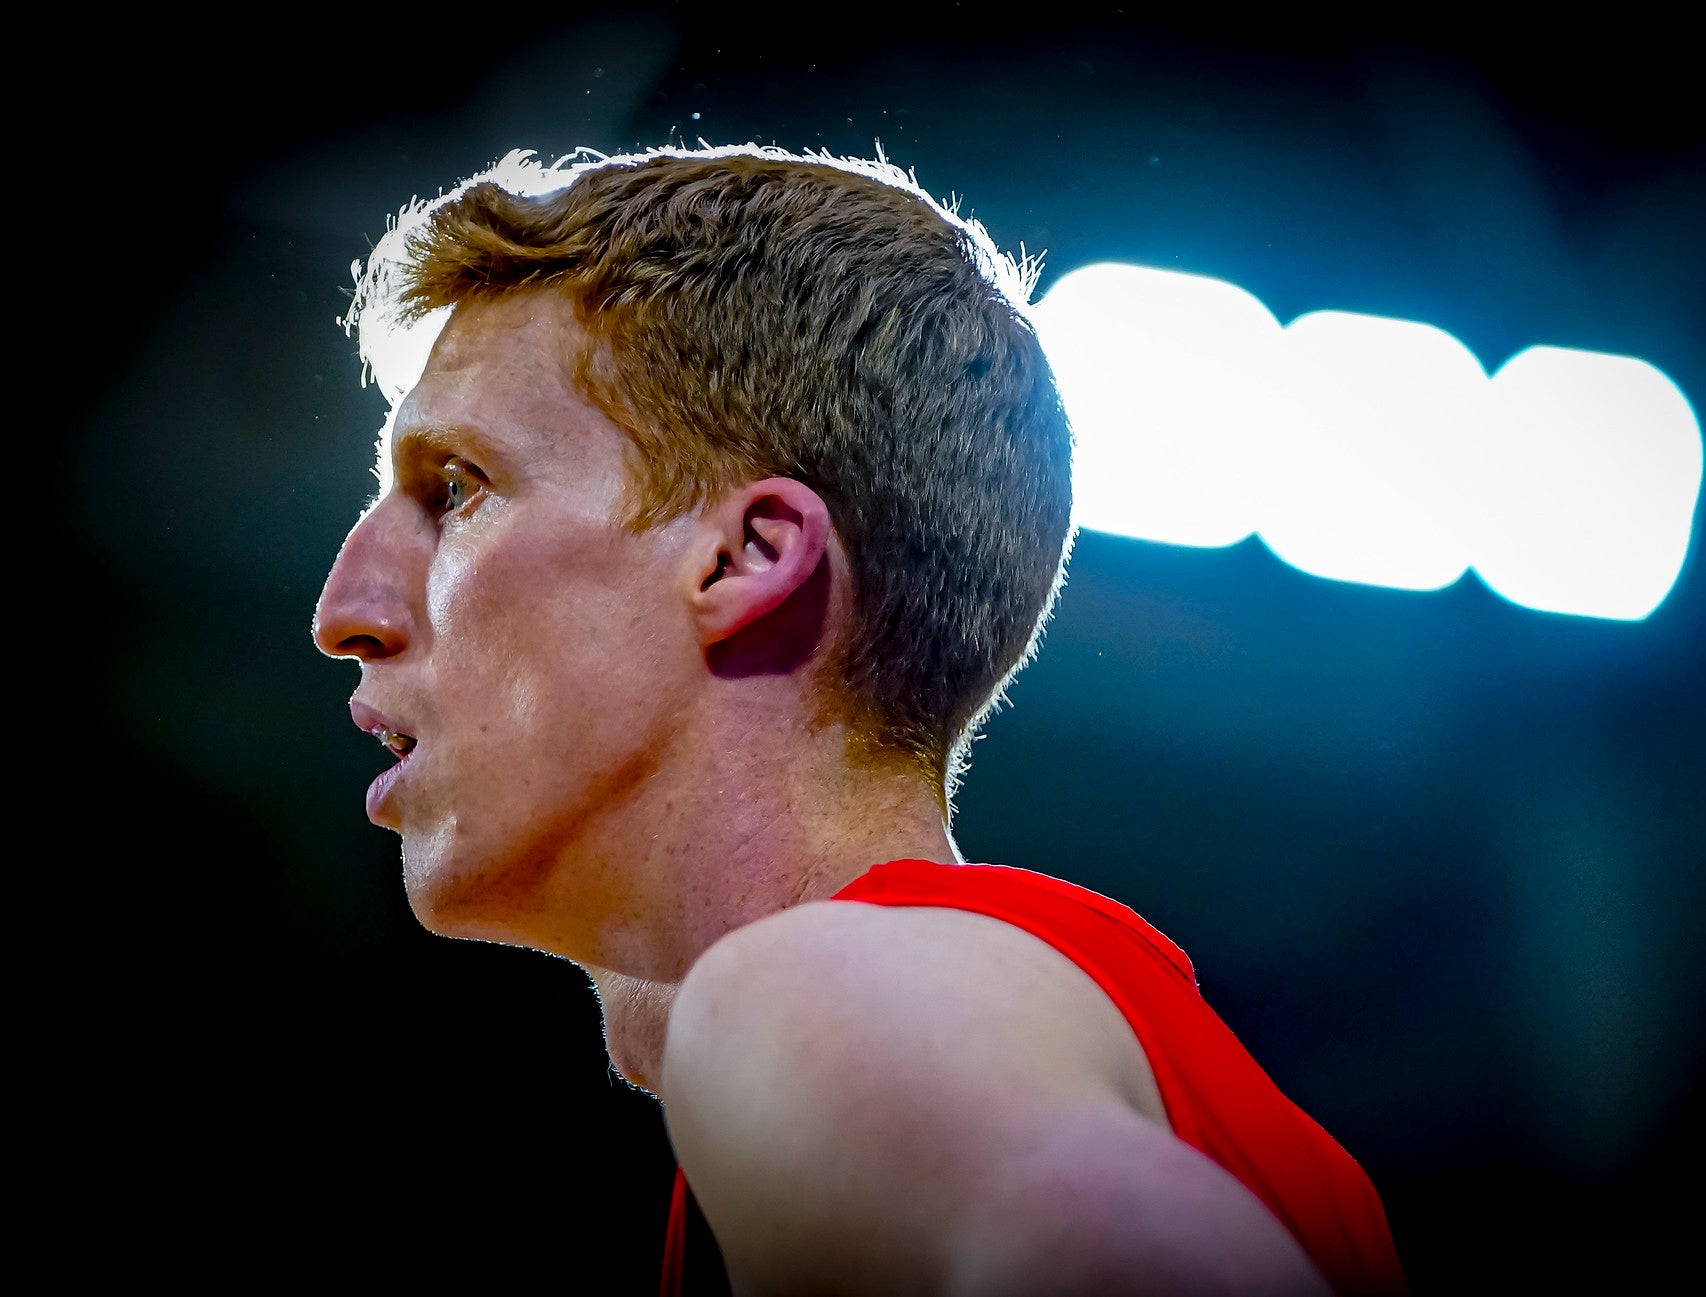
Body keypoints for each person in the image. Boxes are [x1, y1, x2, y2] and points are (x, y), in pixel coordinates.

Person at [313, 145, 1406, 1296]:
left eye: (456, 488)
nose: (346, 611)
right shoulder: (1005, 1022)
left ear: (745, 558)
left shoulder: (823, 996)